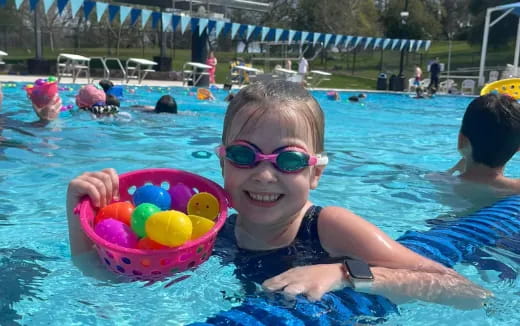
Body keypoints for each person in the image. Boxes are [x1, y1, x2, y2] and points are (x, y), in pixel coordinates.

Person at [65, 80, 489, 309]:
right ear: (222, 165)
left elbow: (464, 290)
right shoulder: (215, 237)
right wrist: (79, 214)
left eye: (288, 160)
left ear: (315, 173)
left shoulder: (329, 227)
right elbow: (108, 281)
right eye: (244, 155)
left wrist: (342, 274)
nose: (264, 173)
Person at [447, 93, 520, 194]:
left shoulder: (441, 183)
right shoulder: (516, 189)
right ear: (518, 148)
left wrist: (451, 171)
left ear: (461, 140)